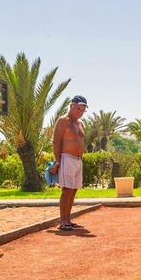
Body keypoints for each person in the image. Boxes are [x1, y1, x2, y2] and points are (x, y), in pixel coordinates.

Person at [50, 95, 87, 231]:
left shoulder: (80, 123)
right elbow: (56, 142)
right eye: (78, 109)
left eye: (83, 110)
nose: (80, 112)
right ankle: (62, 221)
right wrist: (58, 161)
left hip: (78, 160)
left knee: (73, 190)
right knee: (67, 190)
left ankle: (68, 219)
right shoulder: (63, 121)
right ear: (71, 106)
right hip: (66, 158)